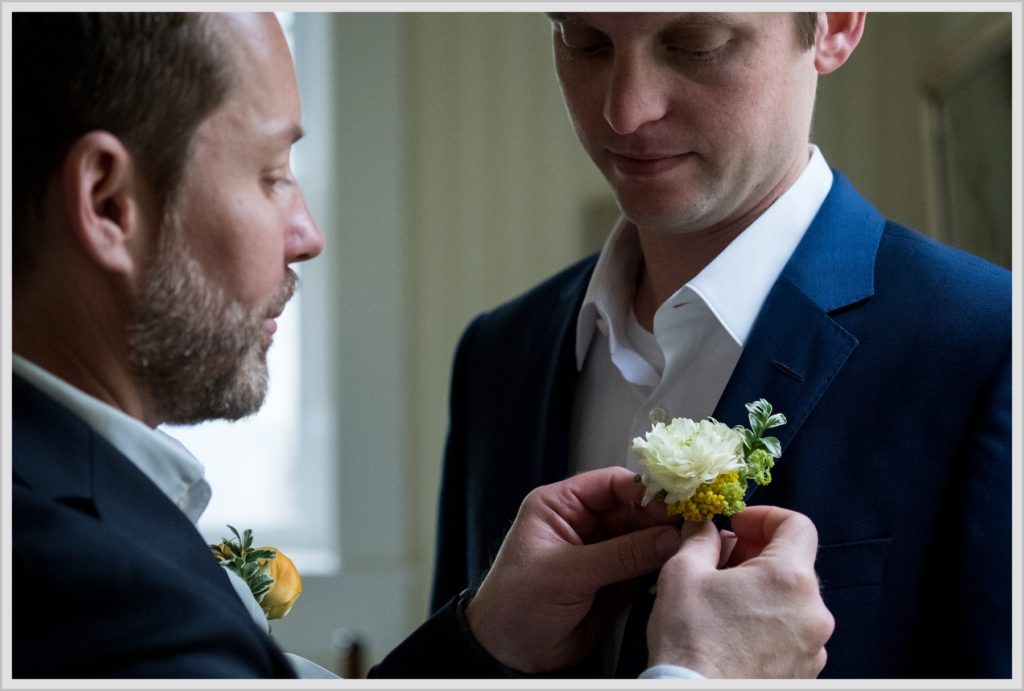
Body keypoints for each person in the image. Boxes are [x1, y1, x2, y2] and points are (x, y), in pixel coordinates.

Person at [10, 11, 834, 679]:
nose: (307, 234)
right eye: (270, 173)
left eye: (694, 43)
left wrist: (481, 639)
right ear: (109, 204)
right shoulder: (80, 581)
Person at [430, 11, 1012, 679]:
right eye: (583, 42)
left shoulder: (991, 347)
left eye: (695, 45)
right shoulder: (498, 354)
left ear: (836, 26)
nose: (625, 110)